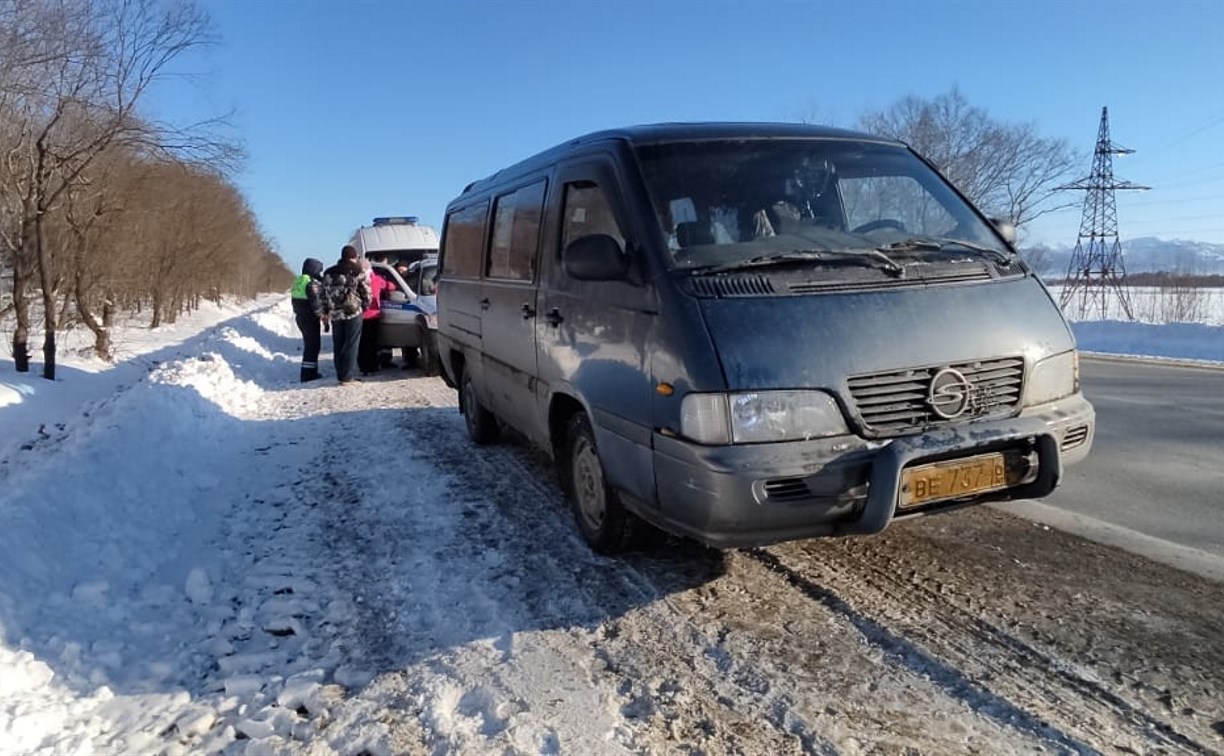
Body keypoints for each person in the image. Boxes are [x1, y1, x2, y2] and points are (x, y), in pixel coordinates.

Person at [320, 245, 372, 385]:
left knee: (338, 344)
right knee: (352, 343)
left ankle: (340, 374)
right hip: (353, 312)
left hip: (335, 313)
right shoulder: (356, 271)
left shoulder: (329, 272)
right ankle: (348, 377)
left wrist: (326, 312)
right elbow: (366, 290)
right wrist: (366, 305)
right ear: (354, 257)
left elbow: (323, 294)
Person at [290, 257, 327, 382]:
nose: (320, 273)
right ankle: (308, 374)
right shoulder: (311, 283)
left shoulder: (299, 281)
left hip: (300, 317)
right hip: (310, 318)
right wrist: (322, 317)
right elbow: (316, 304)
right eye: (319, 270)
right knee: (313, 346)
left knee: (309, 345)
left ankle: (308, 372)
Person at [357, 258, 391, 375]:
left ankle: (363, 367)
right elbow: (389, 286)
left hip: (359, 315)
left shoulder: (356, 279)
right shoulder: (376, 279)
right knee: (371, 343)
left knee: (362, 343)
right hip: (373, 315)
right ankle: (371, 366)